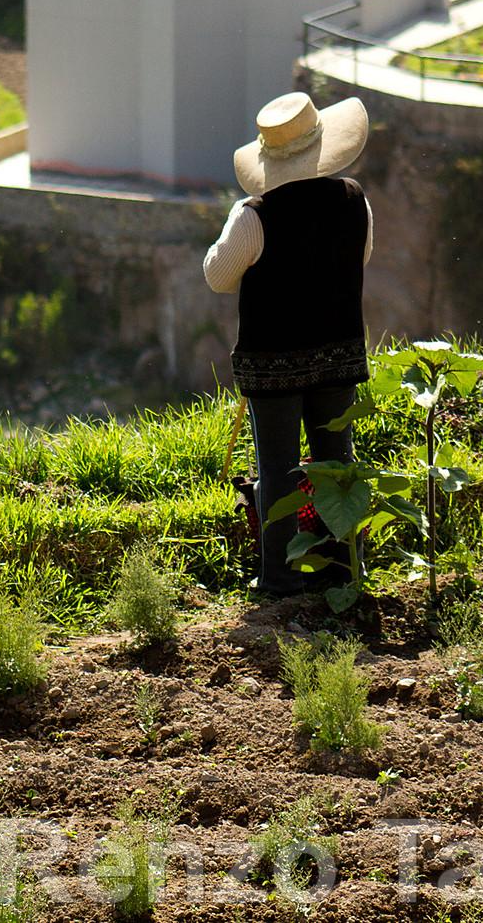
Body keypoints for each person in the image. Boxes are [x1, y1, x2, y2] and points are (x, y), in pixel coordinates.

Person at [203, 92, 374, 597]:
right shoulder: (353, 199)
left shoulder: (255, 214)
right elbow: (360, 256)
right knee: (336, 462)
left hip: (272, 363)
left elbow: (218, 275)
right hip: (339, 352)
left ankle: (278, 575)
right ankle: (342, 567)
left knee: (278, 467)